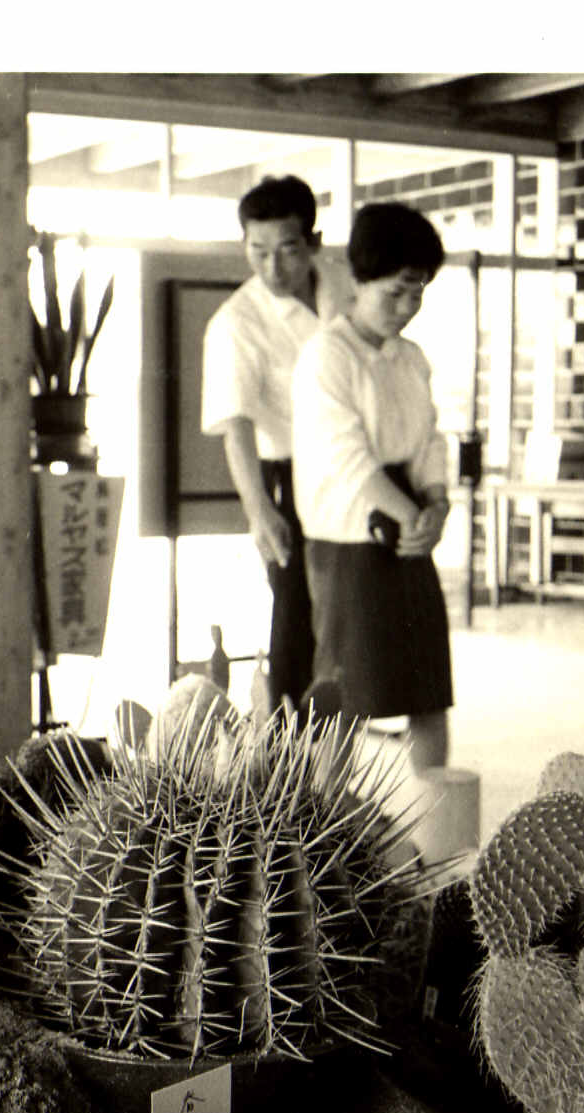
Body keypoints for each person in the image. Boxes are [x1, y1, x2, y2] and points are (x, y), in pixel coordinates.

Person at [290, 201, 452, 773]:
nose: (407, 308)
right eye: (395, 292)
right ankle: (321, 819)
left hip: (411, 535)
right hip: (349, 548)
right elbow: (347, 459)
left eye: (418, 293)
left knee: (429, 697)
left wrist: (437, 505)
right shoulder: (326, 356)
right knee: (345, 701)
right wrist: (414, 518)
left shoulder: (413, 359)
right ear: (359, 280)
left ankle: (437, 816)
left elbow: (430, 441)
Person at [200, 175, 352, 715]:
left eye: (286, 250)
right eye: (257, 251)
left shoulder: (345, 285)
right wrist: (259, 510)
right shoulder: (236, 323)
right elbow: (235, 425)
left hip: (353, 468)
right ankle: (291, 754)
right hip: (287, 475)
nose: (271, 268)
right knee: (295, 615)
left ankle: (343, 743)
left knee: (351, 616)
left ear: (313, 242)